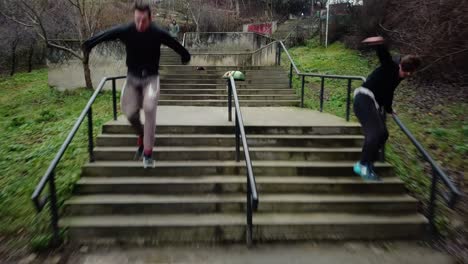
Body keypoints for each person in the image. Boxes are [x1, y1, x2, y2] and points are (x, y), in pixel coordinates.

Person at [82, 1, 191, 168]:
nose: (140, 24)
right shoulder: (127, 30)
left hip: (151, 80)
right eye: (137, 20)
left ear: (151, 17)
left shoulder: (157, 32)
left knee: (149, 107)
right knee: (130, 113)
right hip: (132, 79)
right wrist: (90, 43)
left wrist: (185, 55)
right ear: (134, 17)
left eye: (144, 20)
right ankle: (141, 135)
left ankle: (147, 153)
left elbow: (173, 43)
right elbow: (108, 34)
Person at [353, 36, 421, 181]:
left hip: (371, 103)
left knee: (383, 134)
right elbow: (384, 56)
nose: (405, 75)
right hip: (363, 98)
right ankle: (362, 164)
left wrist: (389, 109)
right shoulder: (391, 66)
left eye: (409, 74)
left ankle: (368, 163)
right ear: (401, 66)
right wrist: (379, 43)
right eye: (404, 71)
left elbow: (389, 92)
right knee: (375, 132)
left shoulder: (399, 77)